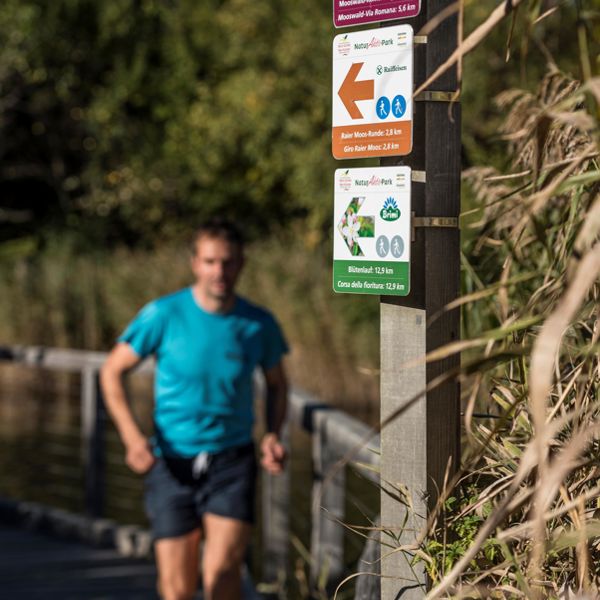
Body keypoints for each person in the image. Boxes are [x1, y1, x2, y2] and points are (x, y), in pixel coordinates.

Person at [100, 219, 288, 600]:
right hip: (170, 463)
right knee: (176, 588)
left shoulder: (258, 324)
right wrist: (132, 438)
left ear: (242, 264)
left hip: (232, 462)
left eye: (228, 262)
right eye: (210, 261)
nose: (219, 272)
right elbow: (111, 371)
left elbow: (278, 384)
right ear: (195, 263)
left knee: (222, 577)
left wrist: (272, 433)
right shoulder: (163, 314)